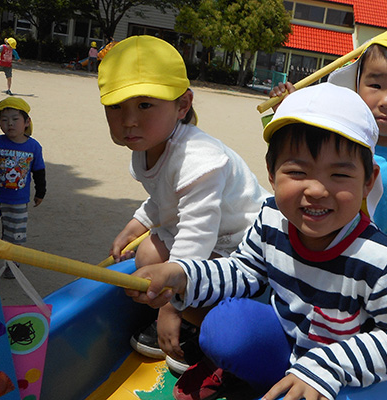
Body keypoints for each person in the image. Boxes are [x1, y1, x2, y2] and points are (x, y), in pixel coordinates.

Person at [126, 83, 387, 400]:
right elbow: (244, 271)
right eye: (298, 172)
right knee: (225, 326)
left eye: (339, 175)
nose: (316, 190)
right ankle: (243, 376)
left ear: (368, 181)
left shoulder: (381, 259)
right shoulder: (272, 218)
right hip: (283, 345)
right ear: (272, 175)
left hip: (341, 373)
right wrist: (182, 274)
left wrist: (328, 366)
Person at [269, 28, 387, 359]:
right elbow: (291, 157)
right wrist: (289, 110)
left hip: (357, 277)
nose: (386, 100)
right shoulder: (335, 130)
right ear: (356, 86)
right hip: (303, 257)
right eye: (375, 85)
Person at [97, 35, 269, 375]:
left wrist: (172, 309)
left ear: (182, 105)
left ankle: (195, 324)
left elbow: (197, 234)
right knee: (146, 252)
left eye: (145, 105)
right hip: (206, 233)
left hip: (241, 244)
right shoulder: (148, 146)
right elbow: (163, 196)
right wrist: (136, 224)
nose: (129, 120)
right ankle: (184, 310)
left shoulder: (200, 160)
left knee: (165, 270)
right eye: (116, 107)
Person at [0, 97, 46, 278]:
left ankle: (12, 263)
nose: (9, 124)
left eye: (15, 119)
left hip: (17, 201)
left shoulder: (33, 146)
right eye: (4, 120)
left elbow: (39, 171)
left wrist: (40, 192)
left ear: (26, 122)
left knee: (13, 233)